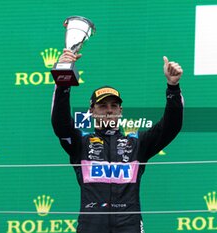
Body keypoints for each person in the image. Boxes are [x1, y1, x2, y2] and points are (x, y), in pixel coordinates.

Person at [51, 49, 183, 233]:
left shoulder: (136, 143)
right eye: (103, 105)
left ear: (120, 111)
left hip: (129, 225)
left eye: (114, 106)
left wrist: (173, 87)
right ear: (92, 110)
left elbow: (171, 126)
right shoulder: (81, 143)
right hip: (91, 226)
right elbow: (60, 123)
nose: (109, 110)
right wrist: (63, 79)